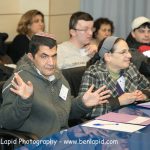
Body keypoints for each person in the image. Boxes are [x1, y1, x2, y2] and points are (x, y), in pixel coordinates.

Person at [0, 32, 111, 139]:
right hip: (38, 144)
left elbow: (63, 111)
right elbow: (7, 123)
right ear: (31, 57)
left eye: (54, 56)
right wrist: (24, 101)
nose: (51, 63)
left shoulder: (57, 76)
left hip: (63, 139)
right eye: (44, 56)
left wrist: (82, 103)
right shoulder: (18, 81)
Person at [79, 36, 150, 119]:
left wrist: (144, 95)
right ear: (108, 56)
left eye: (128, 51)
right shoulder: (93, 73)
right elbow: (85, 110)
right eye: (123, 52)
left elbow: (148, 87)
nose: (130, 55)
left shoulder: (130, 68)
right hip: (104, 128)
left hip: (131, 119)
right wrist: (118, 101)